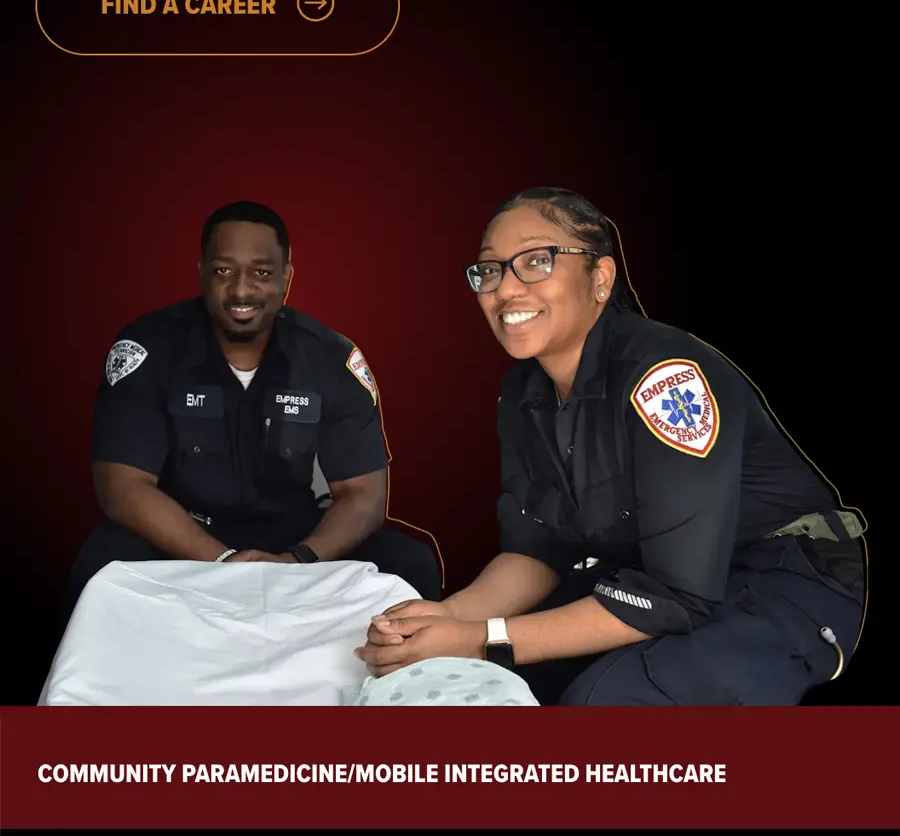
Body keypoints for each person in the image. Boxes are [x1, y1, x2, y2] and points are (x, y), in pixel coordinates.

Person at [357, 186, 866, 705]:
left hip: (781, 575)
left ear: (600, 278)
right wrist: (450, 615)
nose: (504, 289)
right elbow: (539, 548)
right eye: (490, 270)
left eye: (536, 260)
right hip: (649, 576)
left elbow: (678, 594)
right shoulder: (522, 392)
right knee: (474, 677)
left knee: (600, 702)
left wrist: (482, 639)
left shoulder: (666, 377)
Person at [63, 200, 440, 626]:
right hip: (177, 535)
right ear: (201, 272)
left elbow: (364, 496)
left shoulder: (330, 358)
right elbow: (123, 487)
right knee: (96, 567)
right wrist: (222, 560)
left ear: (286, 277)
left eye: (261, 273)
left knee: (410, 563)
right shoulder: (148, 348)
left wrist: (298, 562)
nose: (241, 291)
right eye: (224, 271)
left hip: (296, 540)